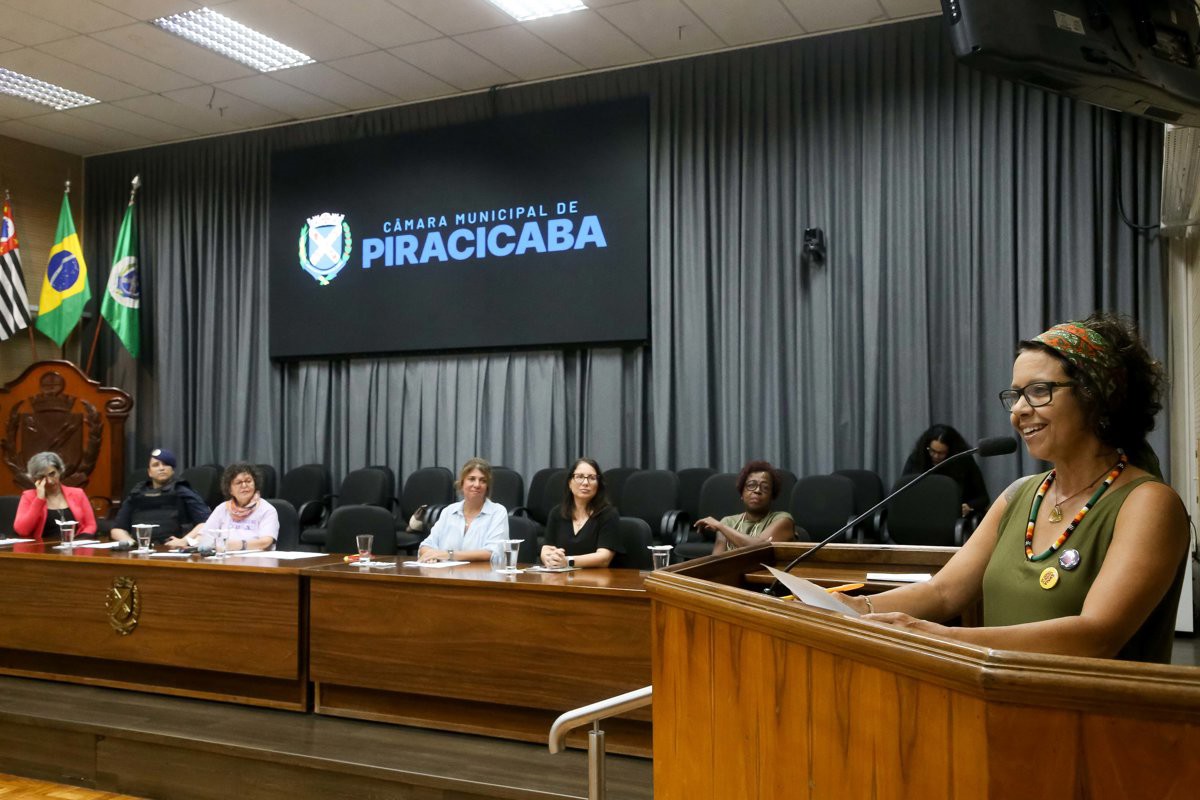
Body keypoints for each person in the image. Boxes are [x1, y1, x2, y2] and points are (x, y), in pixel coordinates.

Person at [845, 313, 1189, 663]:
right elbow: (944, 592)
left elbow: (1095, 637)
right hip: (998, 711)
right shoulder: (1019, 495)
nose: (1019, 411)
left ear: (1094, 396)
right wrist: (851, 606)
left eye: (1039, 391)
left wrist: (941, 637)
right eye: (1016, 395)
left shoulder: (1148, 504)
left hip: (1096, 716)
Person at [165, 462, 278, 551]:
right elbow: (206, 534)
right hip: (226, 559)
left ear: (255, 484)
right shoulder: (222, 508)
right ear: (230, 490)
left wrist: (239, 544)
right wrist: (187, 542)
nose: (244, 485)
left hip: (258, 562)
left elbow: (266, 541)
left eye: (248, 481)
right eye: (238, 483)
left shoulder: (267, 509)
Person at [110, 448, 211, 545]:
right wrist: (131, 542)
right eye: (156, 465)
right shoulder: (137, 494)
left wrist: (184, 541)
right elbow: (117, 529)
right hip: (141, 550)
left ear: (172, 470)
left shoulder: (183, 491)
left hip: (173, 550)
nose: (161, 468)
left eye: (166, 464)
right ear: (149, 472)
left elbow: (206, 522)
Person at [418, 457, 508, 563]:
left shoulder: (498, 512)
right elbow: (426, 545)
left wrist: (448, 555)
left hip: (481, 576)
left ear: (487, 486)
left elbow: (493, 552)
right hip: (446, 575)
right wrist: (431, 555)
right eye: (472, 479)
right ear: (462, 483)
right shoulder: (449, 511)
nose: (477, 485)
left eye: (483, 481)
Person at [695, 460, 795, 554]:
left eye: (765, 488)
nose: (757, 490)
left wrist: (721, 527)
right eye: (751, 485)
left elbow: (760, 549)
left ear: (772, 496)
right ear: (742, 493)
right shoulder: (728, 522)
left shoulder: (783, 520)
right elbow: (715, 561)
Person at [541, 458, 622, 568]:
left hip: (595, 581)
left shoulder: (608, 514)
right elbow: (547, 548)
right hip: (561, 579)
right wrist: (547, 557)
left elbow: (604, 558)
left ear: (598, 485)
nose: (585, 483)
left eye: (592, 478)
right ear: (570, 482)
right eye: (579, 477)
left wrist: (568, 561)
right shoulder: (557, 513)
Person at [901, 424, 990, 517]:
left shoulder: (963, 461)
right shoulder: (917, 459)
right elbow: (903, 493)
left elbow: (983, 498)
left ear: (951, 451)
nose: (935, 456)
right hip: (921, 516)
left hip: (953, 520)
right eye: (932, 451)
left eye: (941, 453)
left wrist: (969, 506)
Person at [13, 451, 98, 542]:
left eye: (52, 474)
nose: (49, 481)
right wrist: (39, 499)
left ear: (60, 471)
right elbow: (22, 531)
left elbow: (90, 525)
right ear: (35, 479)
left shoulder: (78, 494)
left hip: (75, 548)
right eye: (42, 477)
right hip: (42, 550)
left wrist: (80, 540)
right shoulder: (28, 496)